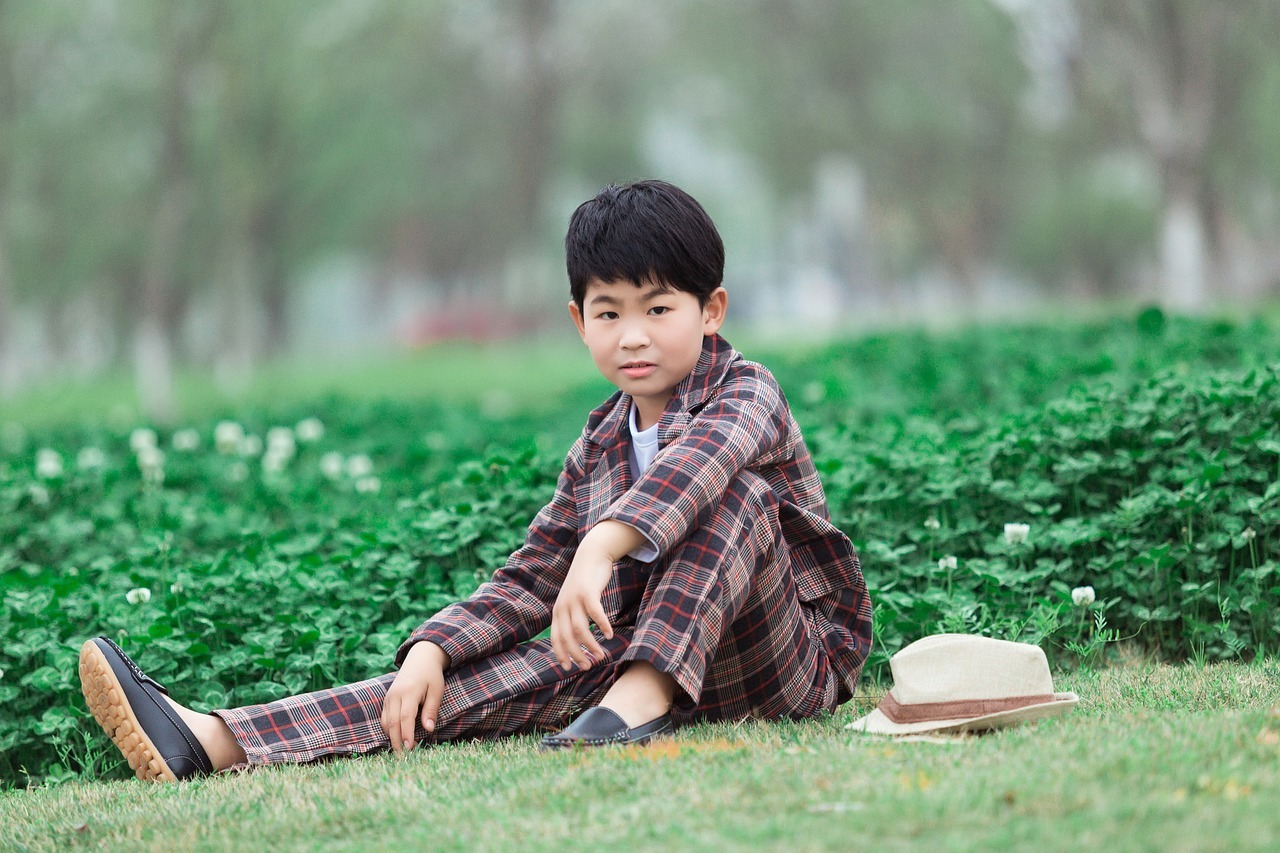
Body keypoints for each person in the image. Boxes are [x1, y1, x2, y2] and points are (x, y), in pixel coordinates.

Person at [78, 179, 874, 781]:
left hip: (781, 661)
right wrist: (432, 645)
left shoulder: (748, 390)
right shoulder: (600, 441)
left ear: (712, 310)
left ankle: (641, 696)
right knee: (452, 684)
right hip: (644, 647)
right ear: (578, 321)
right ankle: (213, 739)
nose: (633, 336)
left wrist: (601, 546)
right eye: (609, 313)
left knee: (737, 494)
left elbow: (696, 471)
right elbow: (533, 575)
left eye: (659, 309)